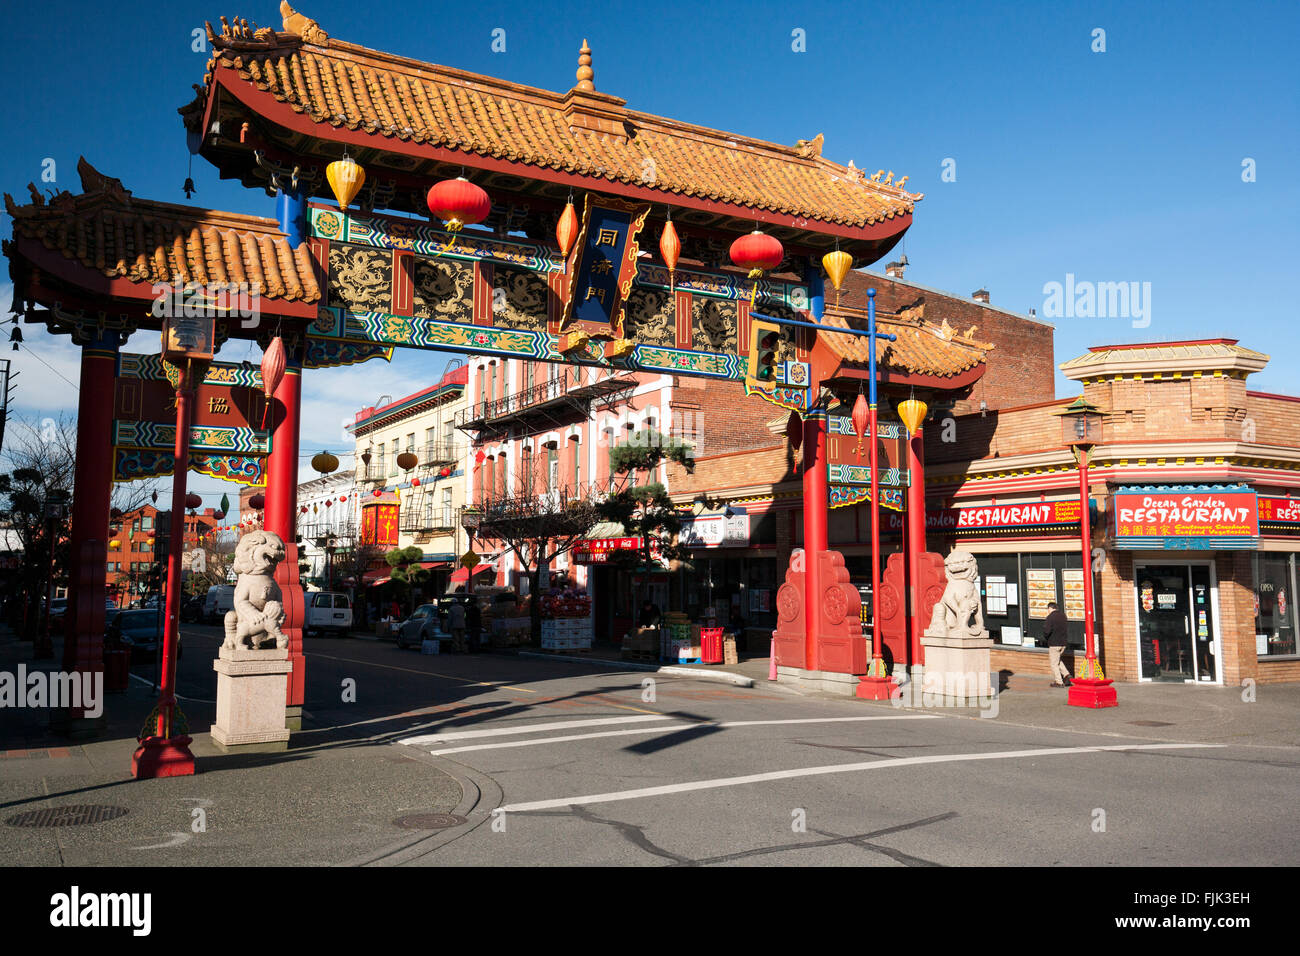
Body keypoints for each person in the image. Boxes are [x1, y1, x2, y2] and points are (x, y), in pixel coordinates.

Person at [1043, 601, 1072, 687]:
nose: (1048, 611)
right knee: (1058, 660)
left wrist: (1046, 637)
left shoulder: (1050, 617)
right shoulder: (1063, 616)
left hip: (1054, 643)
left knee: (1054, 663)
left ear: (1050, 608)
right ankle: (1067, 675)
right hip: (1063, 643)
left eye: (1048, 609)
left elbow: (1046, 631)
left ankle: (1059, 682)